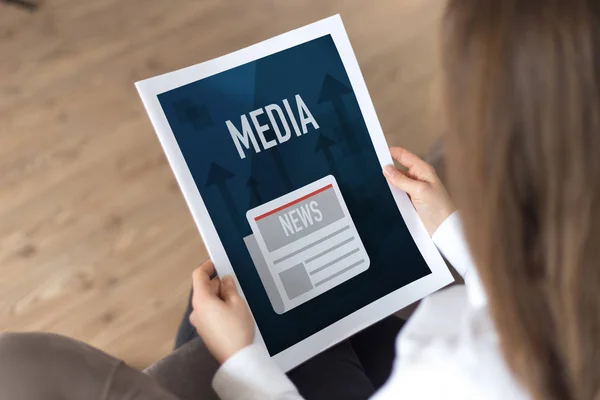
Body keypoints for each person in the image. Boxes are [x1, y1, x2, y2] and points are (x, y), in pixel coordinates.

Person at [1, 0, 598, 399]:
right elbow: (532, 303)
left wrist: (239, 363)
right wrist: (452, 233)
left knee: (222, 308)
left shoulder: (465, 374)